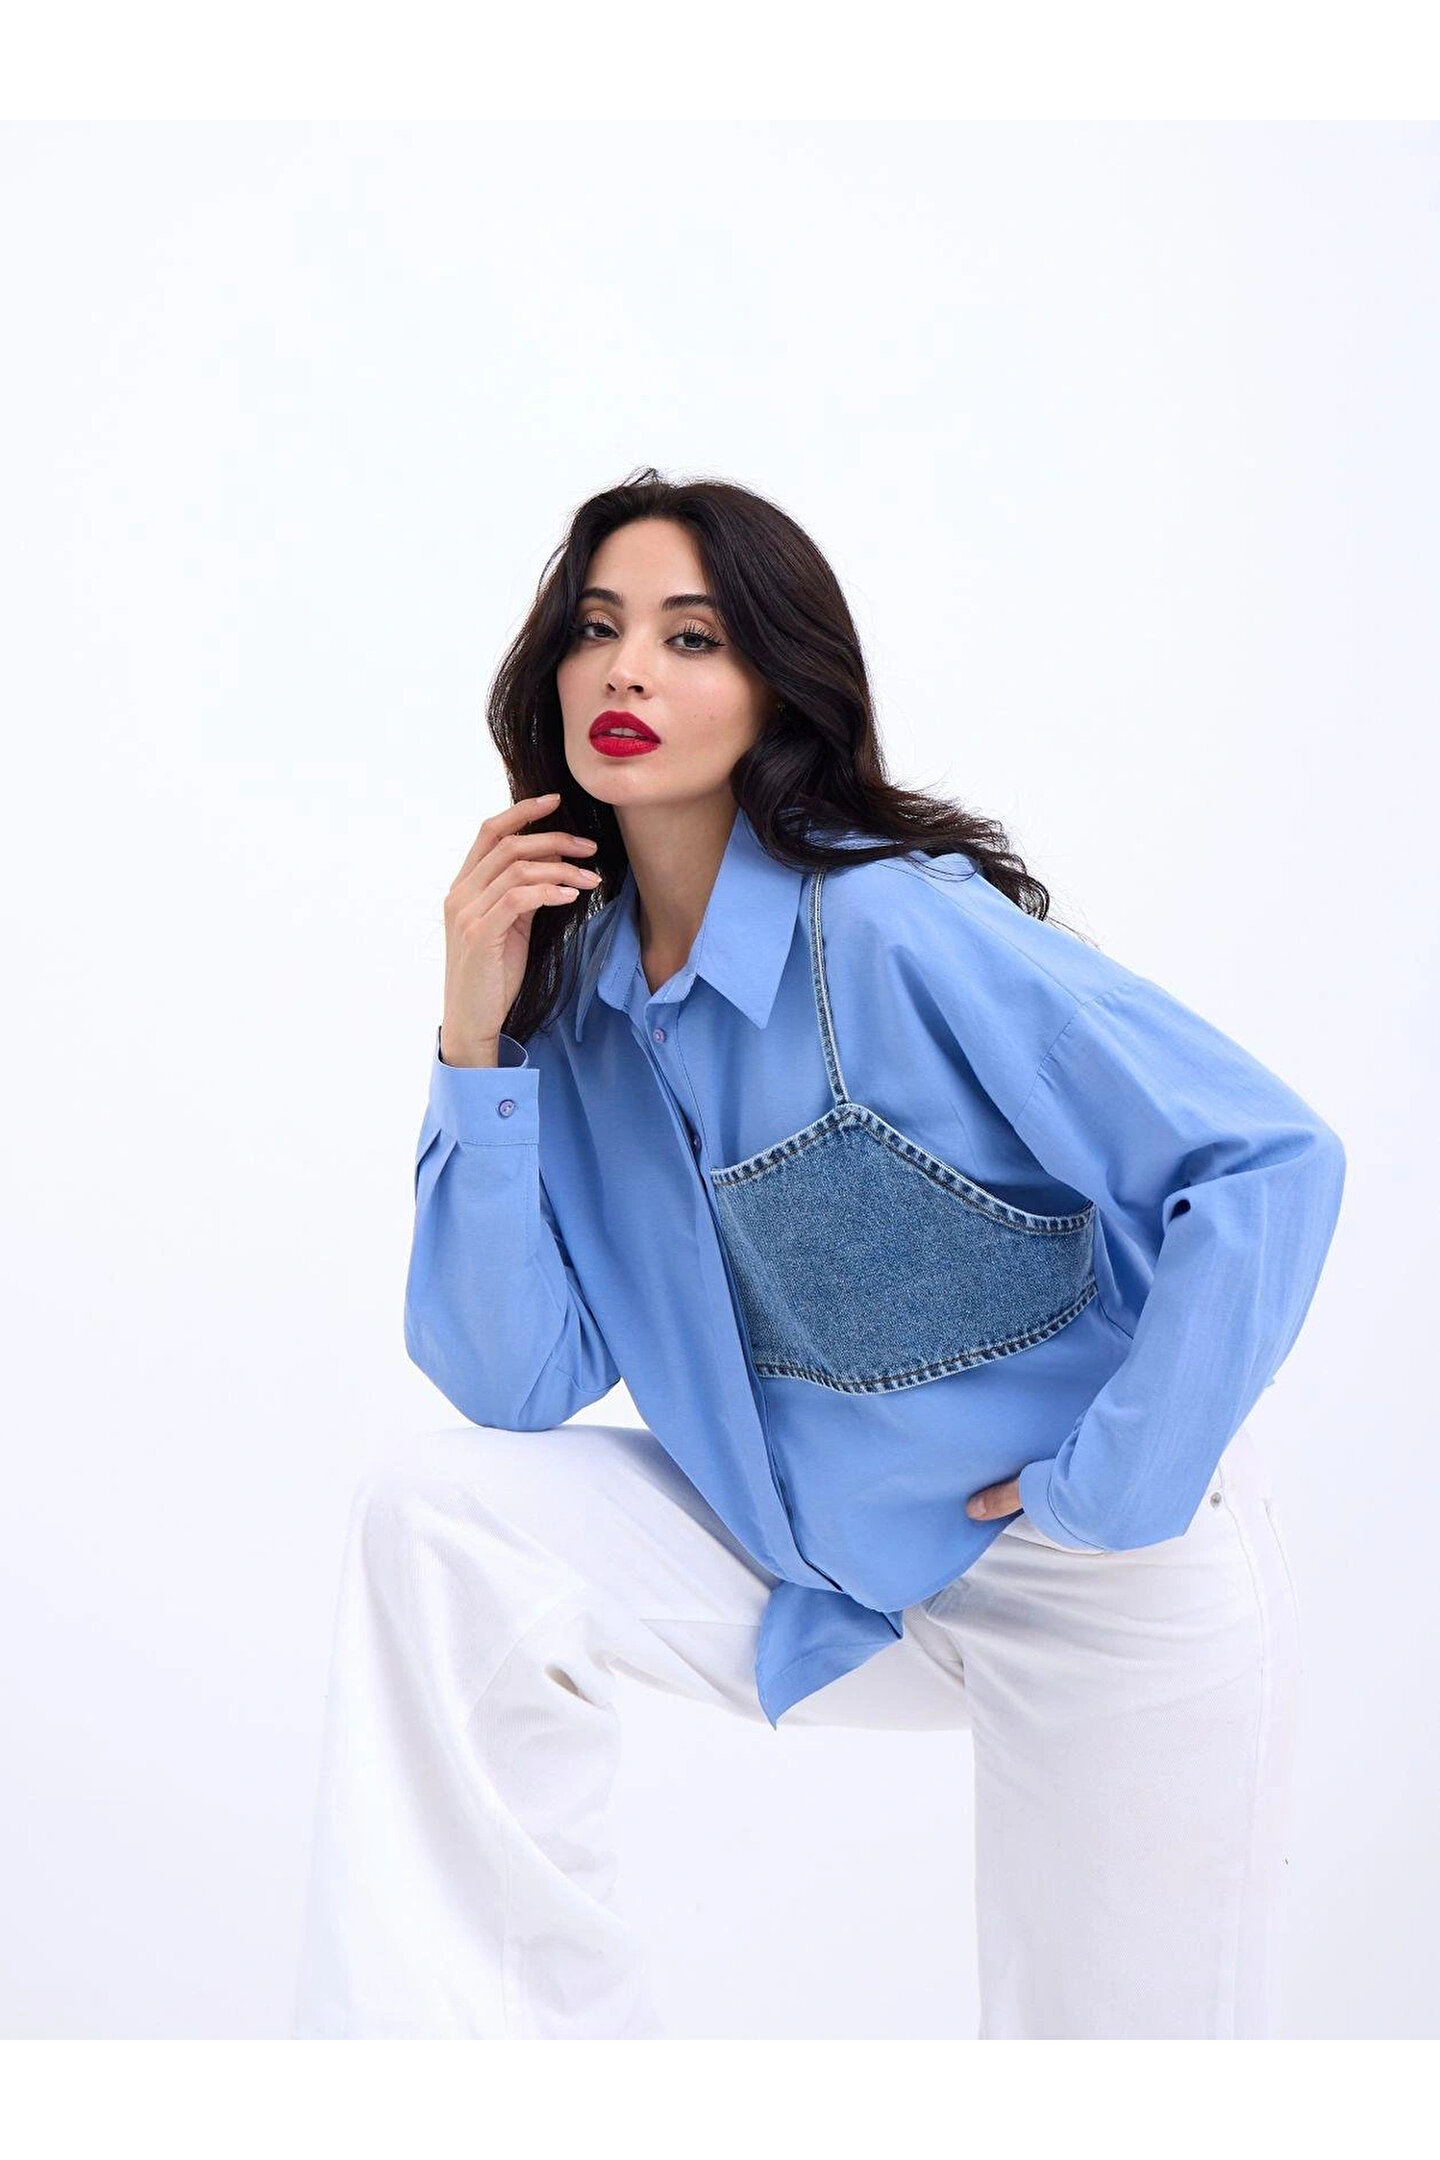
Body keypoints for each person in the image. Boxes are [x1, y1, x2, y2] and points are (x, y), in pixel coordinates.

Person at [292, 469, 1346, 2040]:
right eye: (596, 629)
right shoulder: (572, 1002)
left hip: (1099, 1581)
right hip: (807, 1567)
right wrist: (474, 1037)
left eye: (690, 638)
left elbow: (1266, 1161)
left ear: (778, 686)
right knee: (444, 1522)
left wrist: (1110, 1487)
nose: (626, 672)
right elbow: (512, 1383)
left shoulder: (891, 925)